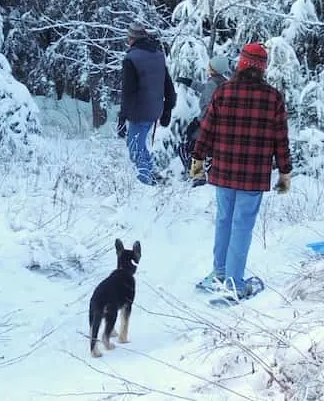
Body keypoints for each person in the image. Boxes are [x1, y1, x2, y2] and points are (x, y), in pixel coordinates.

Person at [189, 42, 291, 298]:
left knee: (224, 220)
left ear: (241, 64)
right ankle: (234, 283)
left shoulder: (223, 92)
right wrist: (285, 172)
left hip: (224, 170)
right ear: (262, 69)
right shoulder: (273, 98)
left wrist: (198, 158)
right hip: (253, 175)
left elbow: (207, 129)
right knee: (241, 225)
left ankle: (220, 272)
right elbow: (281, 139)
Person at [117, 22, 176, 186]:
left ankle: (145, 182)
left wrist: (122, 117)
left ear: (131, 39)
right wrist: (167, 110)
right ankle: (150, 174)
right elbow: (168, 84)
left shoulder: (131, 59)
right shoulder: (158, 55)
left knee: (135, 147)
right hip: (155, 110)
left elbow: (128, 91)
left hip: (139, 111)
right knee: (139, 144)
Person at [178, 54, 230, 187]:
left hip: (208, 125)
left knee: (193, 145)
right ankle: (212, 171)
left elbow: (208, 107)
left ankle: (196, 174)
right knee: (210, 149)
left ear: (213, 69)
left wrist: (198, 122)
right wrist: (190, 83)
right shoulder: (224, 82)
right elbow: (203, 88)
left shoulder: (212, 84)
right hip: (222, 126)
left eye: (210, 66)